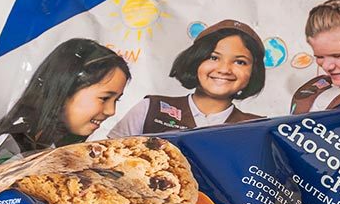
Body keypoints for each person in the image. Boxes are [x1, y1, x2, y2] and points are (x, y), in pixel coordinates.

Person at [0, 38, 130, 204]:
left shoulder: (59, 162)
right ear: (64, 90)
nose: (111, 111)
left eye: (116, 100)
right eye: (105, 98)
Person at [109, 19, 265, 137]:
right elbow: (107, 164)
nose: (224, 69)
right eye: (213, 57)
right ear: (195, 59)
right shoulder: (150, 109)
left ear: (254, 72)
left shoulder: (260, 129)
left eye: (240, 62)